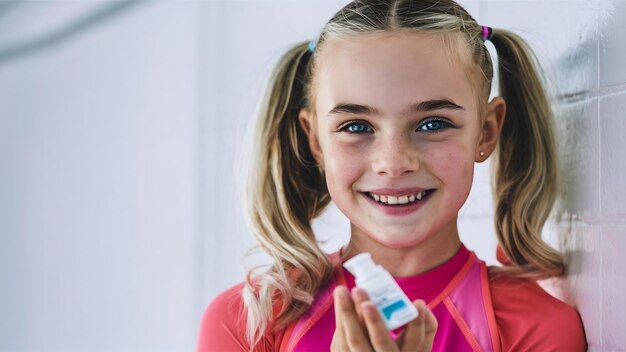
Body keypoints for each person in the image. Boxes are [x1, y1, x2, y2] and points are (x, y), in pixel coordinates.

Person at [197, 0, 586, 351]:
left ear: (485, 132)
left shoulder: (536, 329)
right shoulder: (249, 323)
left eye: (433, 124)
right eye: (355, 126)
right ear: (315, 139)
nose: (393, 162)